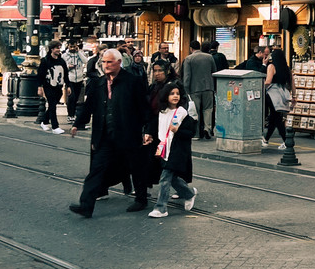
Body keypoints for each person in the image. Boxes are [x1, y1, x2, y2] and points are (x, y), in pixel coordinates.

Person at [68, 49, 150, 216]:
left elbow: (144, 108)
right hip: (104, 134)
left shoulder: (132, 82)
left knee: (136, 166)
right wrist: (78, 123)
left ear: (119, 62)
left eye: (109, 62)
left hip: (128, 133)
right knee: (96, 169)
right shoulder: (98, 83)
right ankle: (86, 205)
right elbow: (89, 105)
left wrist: (147, 130)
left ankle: (141, 199)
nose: (105, 65)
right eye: (103, 62)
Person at [148, 82, 198, 218]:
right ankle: (189, 194)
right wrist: (148, 134)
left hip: (177, 150)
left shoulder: (182, 113)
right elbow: (155, 127)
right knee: (172, 178)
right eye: (172, 94)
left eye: (177, 93)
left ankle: (161, 208)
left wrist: (178, 131)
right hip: (164, 149)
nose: (175, 96)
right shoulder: (162, 112)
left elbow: (190, 132)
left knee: (165, 178)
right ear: (166, 96)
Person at [181, 39, 217, 139]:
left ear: (191, 48)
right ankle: (207, 128)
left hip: (194, 88)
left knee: (194, 111)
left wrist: (186, 89)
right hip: (208, 87)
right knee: (208, 109)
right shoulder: (209, 57)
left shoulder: (189, 59)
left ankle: (196, 133)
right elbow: (214, 71)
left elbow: (187, 76)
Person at [36, 42, 70, 132]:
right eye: (57, 48)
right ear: (52, 49)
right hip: (48, 85)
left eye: (59, 48)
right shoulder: (45, 61)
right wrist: (40, 87)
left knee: (53, 104)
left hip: (59, 86)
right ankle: (55, 127)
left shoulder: (61, 61)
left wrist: (68, 85)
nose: (59, 50)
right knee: (52, 104)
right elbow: (40, 74)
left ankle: (44, 121)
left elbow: (65, 74)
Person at [263, 46, 293, 147]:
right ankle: (266, 139)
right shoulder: (287, 68)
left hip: (272, 93)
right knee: (275, 117)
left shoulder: (272, 66)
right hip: (282, 93)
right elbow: (292, 84)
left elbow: (268, 81)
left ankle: (286, 141)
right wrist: (295, 96)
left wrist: (262, 87)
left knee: (276, 118)